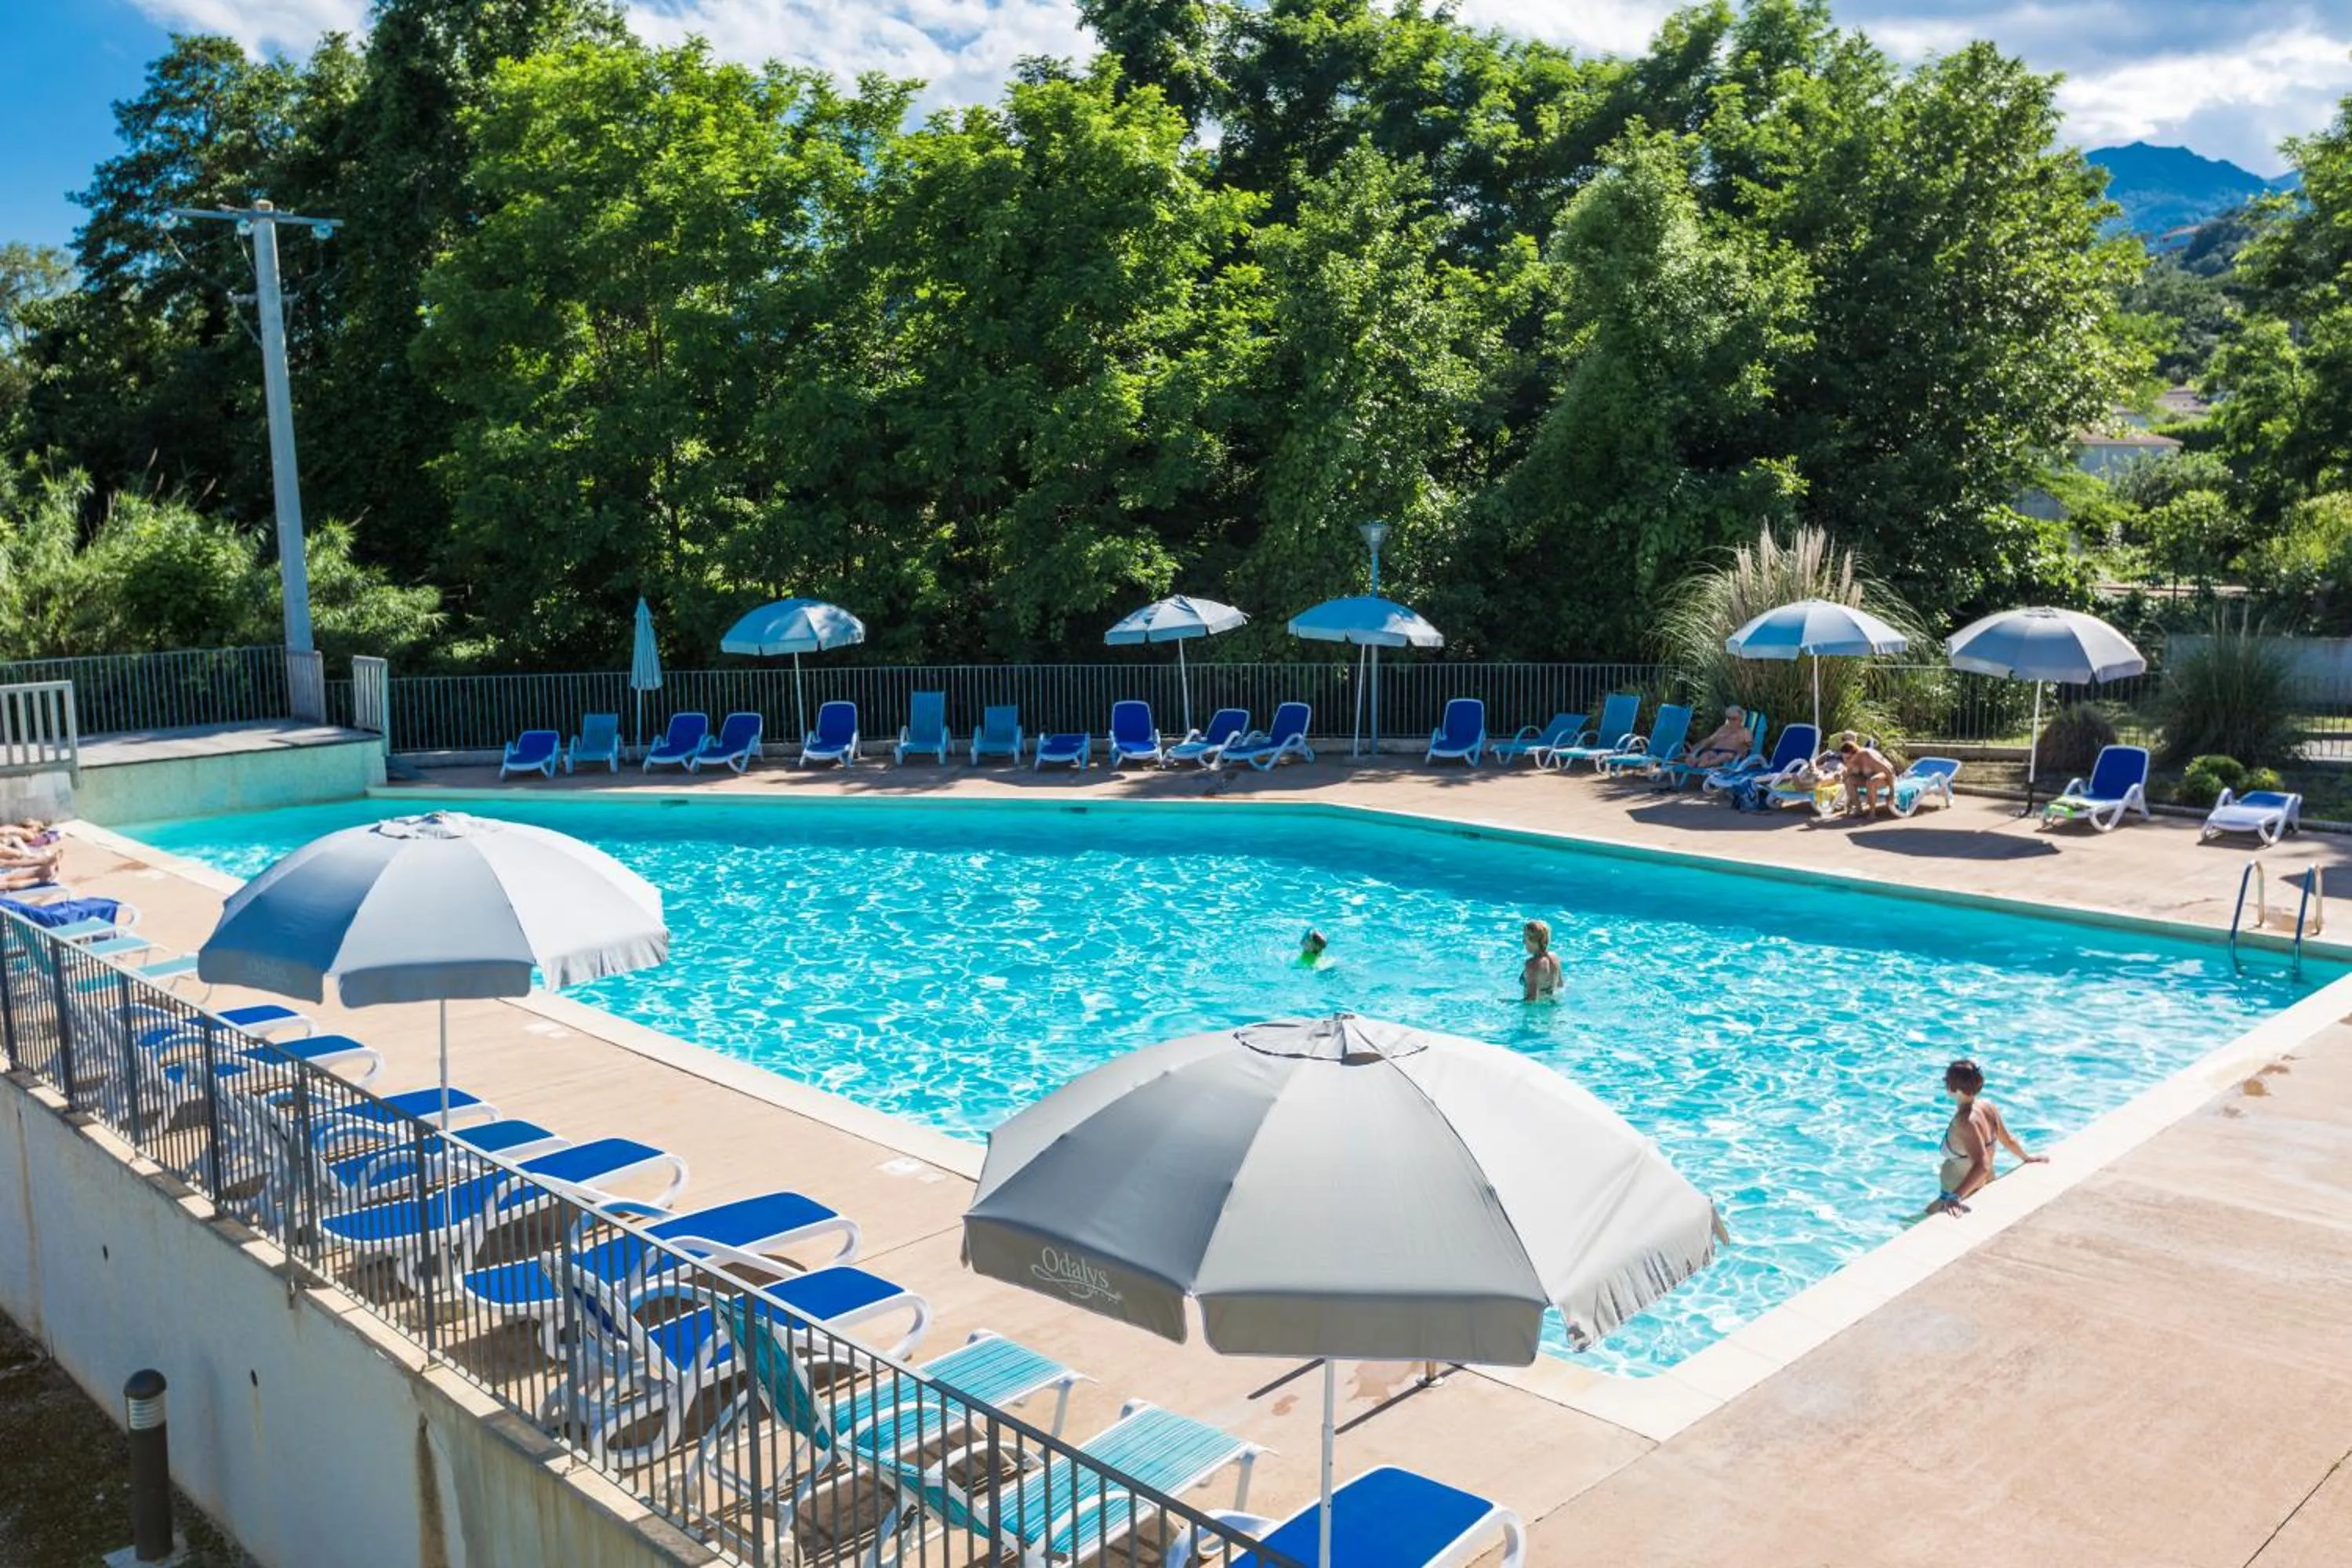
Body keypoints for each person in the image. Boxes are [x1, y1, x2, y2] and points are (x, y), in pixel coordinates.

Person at [1928, 1058, 2046, 1218]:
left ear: (1953, 1087)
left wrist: (1955, 1197)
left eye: (1946, 1081)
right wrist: (2026, 1157)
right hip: (1983, 1185)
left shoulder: (1965, 1121)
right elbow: (2008, 1140)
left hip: (1958, 1192)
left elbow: (1982, 1164)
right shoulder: (1988, 1106)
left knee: (1907, 1226)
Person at [1835, 733, 1897, 817]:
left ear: (1856, 754)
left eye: (1848, 758)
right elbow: (1846, 775)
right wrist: (1839, 776)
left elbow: (1888, 771)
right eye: (1845, 758)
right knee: (1849, 780)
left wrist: (1892, 792)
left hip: (1885, 776)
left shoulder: (1868, 756)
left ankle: (1872, 812)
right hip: (1868, 777)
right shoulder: (1850, 760)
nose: (1846, 761)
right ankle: (1858, 809)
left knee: (1870, 781)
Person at [1686, 706, 1753, 771]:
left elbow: (1748, 745)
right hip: (1715, 750)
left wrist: (1741, 750)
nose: (1731, 721)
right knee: (1706, 754)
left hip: (1730, 753)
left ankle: (1705, 764)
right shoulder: (1723, 728)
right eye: (1729, 718)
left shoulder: (1745, 731)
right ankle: (1699, 763)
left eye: (1734, 719)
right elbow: (1710, 739)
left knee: (1723, 756)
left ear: (1741, 719)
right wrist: (1699, 746)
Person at [1520, 919, 1563, 1002]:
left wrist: (1509, 1003)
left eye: (1525, 937)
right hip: (1552, 1005)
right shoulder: (1555, 958)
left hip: (1536, 1012)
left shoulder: (1532, 965)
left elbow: (1531, 1000)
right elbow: (1560, 985)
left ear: (1533, 940)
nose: (1523, 941)